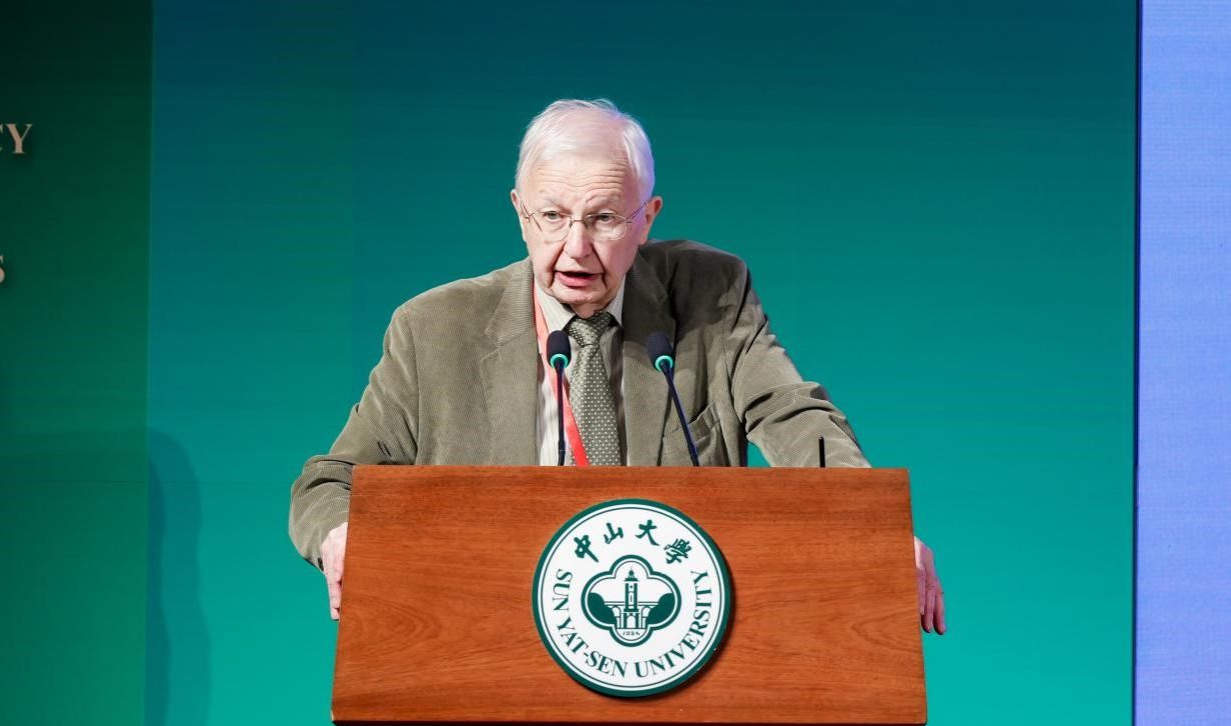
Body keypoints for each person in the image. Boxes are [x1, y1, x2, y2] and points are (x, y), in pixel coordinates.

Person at [289, 98, 946, 633]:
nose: (576, 248)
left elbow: (791, 414)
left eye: (603, 218)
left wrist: (871, 525)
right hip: (490, 643)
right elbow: (329, 483)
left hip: (678, 647)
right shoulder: (435, 330)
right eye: (552, 216)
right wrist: (343, 535)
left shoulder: (709, 294)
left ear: (646, 218)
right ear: (520, 213)